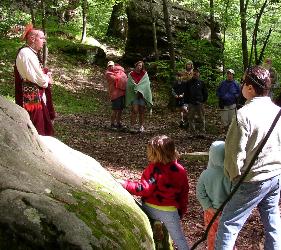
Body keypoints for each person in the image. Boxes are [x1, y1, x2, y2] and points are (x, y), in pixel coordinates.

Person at [215, 65, 281, 250]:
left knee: (229, 224)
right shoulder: (277, 111)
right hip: (275, 176)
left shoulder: (244, 115)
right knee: (272, 220)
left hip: (252, 179)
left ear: (250, 88)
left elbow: (234, 154)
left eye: (243, 83)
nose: (241, 86)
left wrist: (233, 176)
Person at [118, 135, 189, 250]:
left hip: (150, 208)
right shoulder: (180, 170)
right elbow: (184, 193)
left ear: (155, 154)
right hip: (170, 212)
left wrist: (125, 184)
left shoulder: (155, 170)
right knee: (180, 240)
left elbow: (144, 189)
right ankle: (158, 224)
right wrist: (181, 211)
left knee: (142, 214)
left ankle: (155, 222)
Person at [14, 24, 55, 136]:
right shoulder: (26, 53)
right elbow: (38, 78)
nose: (44, 41)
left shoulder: (31, 53)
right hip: (31, 96)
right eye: (41, 38)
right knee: (36, 125)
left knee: (38, 124)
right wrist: (47, 79)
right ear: (32, 38)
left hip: (34, 93)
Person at [196, 141, 232, 250]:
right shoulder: (230, 174)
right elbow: (235, 192)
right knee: (228, 234)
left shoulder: (205, 174)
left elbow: (200, 193)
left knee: (212, 235)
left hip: (210, 212)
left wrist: (208, 206)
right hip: (228, 211)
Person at [125, 61, 153, 133]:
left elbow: (146, 84)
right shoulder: (131, 74)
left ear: (142, 67)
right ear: (136, 65)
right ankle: (132, 126)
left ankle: (141, 126)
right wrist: (136, 87)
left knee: (142, 111)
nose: (139, 67)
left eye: (140, 66)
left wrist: (140, 88)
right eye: (138, 65)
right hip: (134, 95)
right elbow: (129, 84)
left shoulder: (144, 74)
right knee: (134, 110)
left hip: (142, 96)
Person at [105, 61, 127, 129]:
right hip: (115, 93)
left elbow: (124, 78)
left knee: (120, 109)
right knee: (115, 109)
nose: (111, 67)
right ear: (108, 67)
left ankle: (118, 123)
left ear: (114, 65)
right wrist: (121, 75)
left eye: (112, 65)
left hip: (122, 92)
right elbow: (117, 79)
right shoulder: (108, 74)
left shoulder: (118, 71)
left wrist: (121, 75)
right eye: (109, 66)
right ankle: (112, 124)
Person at [184, 68, 208, 134]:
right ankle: (192, 131)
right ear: (192, 73)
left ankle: (202, 131)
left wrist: (203, 100)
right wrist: (186, 103)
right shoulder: (188, 83)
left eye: (197, 72)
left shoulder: (201, 83)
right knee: (190, 118)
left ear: (199, 73)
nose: (195, 73)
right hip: (191, 103)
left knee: (202, 118)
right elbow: (186, 93)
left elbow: (205, 93)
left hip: (200, 103)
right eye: (194, 72)